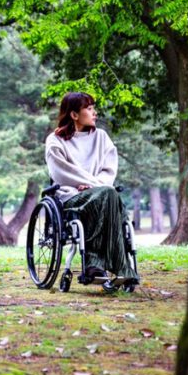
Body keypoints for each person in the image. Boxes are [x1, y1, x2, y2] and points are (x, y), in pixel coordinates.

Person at [44, 92, 138, 283]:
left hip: (101, 193)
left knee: (108, 193)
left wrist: (94, 186)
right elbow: (61, 172)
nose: (95, 113)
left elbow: (109, 169)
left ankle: (96, 264)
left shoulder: (101, 137)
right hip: (71, 196)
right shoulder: (55, 140)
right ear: (74, 115)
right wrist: (90, 186)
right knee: (108, 194)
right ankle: (117, 266)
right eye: (89, 108)